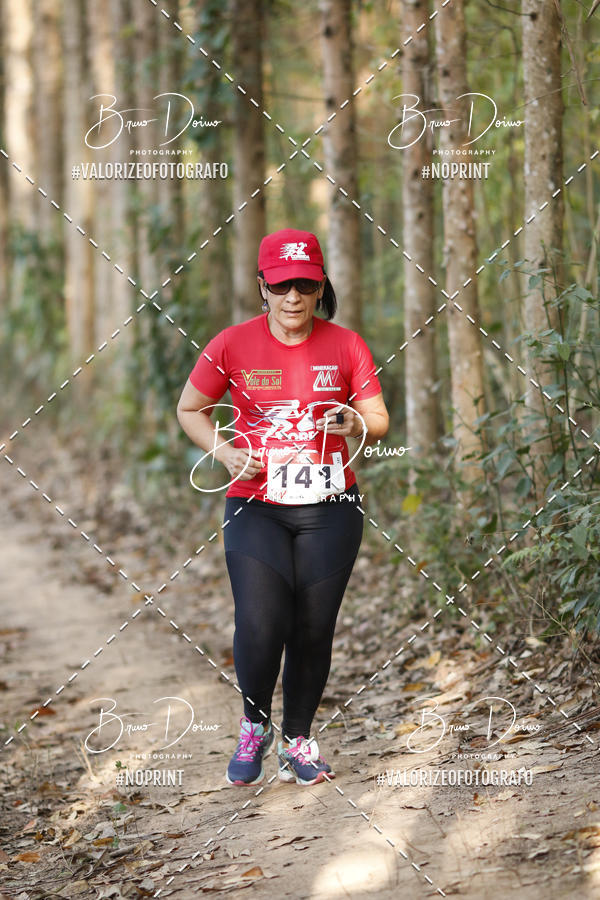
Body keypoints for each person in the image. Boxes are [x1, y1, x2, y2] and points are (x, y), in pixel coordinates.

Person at [177, 228, 389, 787]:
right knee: (262, 621)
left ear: (320, 287)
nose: (292, 296)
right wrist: (225, 453)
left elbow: (379, 418)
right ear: (262, 287)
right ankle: (254, 724)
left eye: (304, 284)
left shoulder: (346, 344)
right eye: (281, 285)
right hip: (257, 504)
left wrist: (354, 423)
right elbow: (190, 408)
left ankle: (298, 739)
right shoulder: (230, 344)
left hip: (331, 504)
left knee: (314, 626)